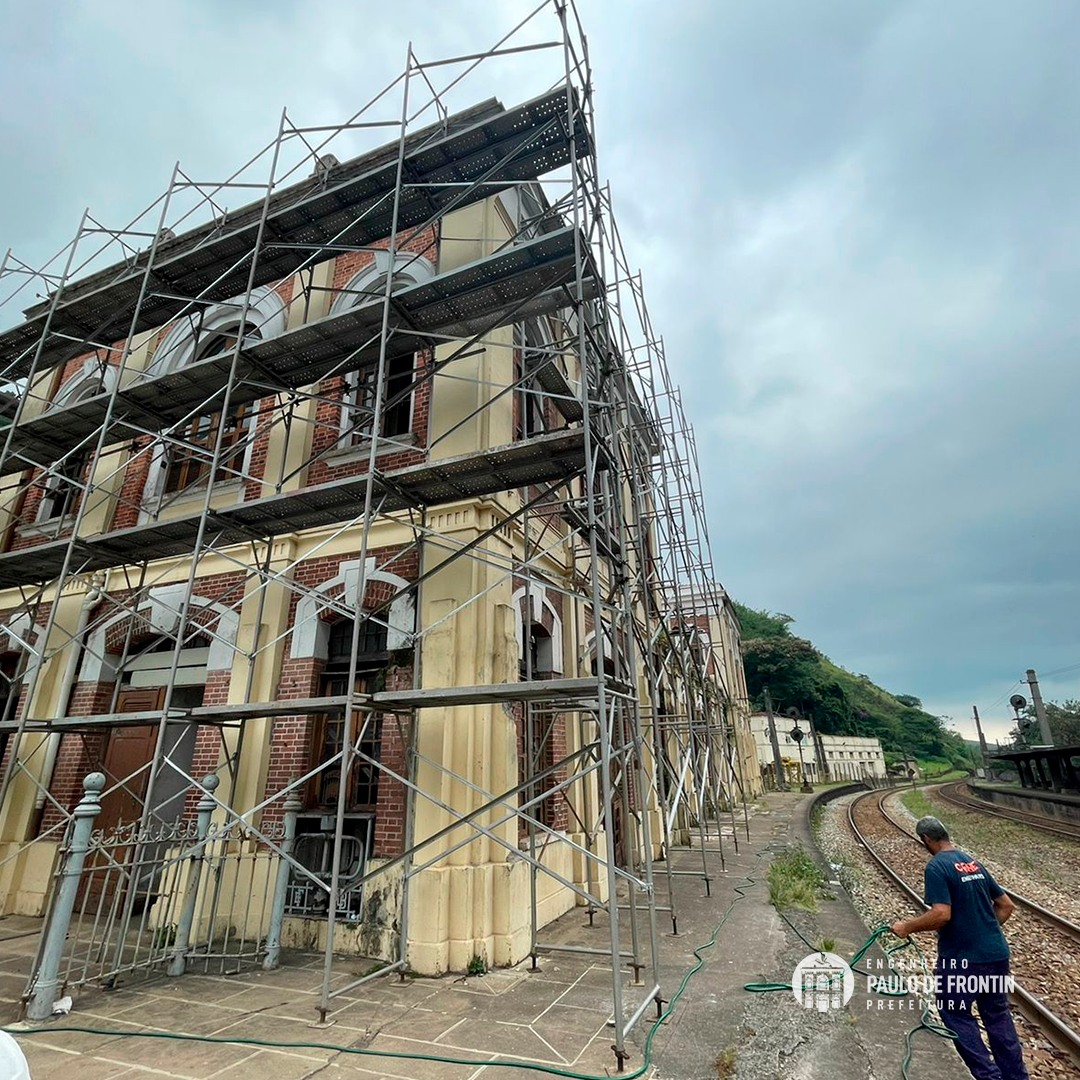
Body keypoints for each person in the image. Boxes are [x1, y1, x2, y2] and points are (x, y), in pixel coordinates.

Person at [890, 815, 1029, 1080]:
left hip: (963, 960)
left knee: (954, 1012)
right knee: (998, 1016)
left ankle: (988, 1076)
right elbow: (1006, 905)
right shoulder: (972, 862)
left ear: (926, 840)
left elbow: (941, 914)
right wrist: (985, 929)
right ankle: (1016, 1076)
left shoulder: (937, 867)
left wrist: (907, 927)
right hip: (996, 954)